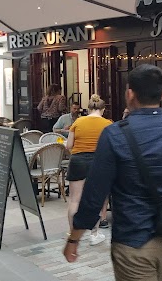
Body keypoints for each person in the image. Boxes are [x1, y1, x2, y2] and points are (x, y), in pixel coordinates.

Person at [64, 65, 162, 281]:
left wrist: (74, 238)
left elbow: (94, 193)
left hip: (133, 240)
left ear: (130, 93)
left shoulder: (114, 135)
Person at [65, 95, 112, 246]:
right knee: (96, 199)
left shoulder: (78, 121)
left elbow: (69, 145)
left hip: (78, 160)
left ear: (88, 108)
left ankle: (73, 236)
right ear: (103, 110)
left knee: (75, 199)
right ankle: (94, 234)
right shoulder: (107, 124)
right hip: (98, 162)